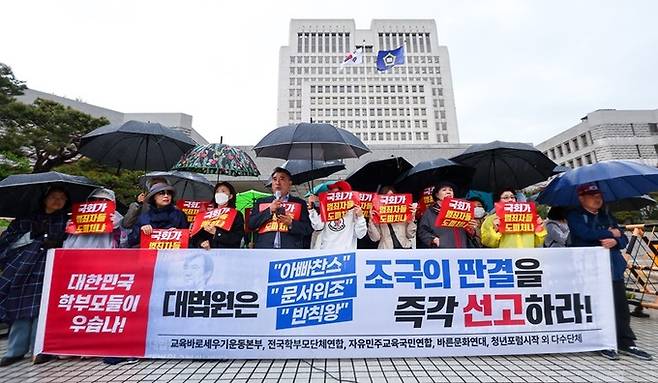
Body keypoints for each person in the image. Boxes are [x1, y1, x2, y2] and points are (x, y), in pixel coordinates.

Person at [567, 183, 652, 361]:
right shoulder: (575, 216)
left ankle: (626, 342)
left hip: (613, 268)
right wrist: (611, 233)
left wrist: (615, 240)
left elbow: (623, 238)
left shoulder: (607, 214)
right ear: (582, 198)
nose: (597, 198)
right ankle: (601, 341)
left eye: (599, 195)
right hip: (590, 269)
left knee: (620, 305)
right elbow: (583, 234)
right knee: (597, 306)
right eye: (592, 195)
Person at [0, 186, 69, 366]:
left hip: (50, 266)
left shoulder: (65, 220)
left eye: (62, 198)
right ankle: (15, 350)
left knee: (43, 308)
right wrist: (31, 235)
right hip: (23, 267)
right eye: (54, 196)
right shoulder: (25, 219)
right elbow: (6, 242)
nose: (58, 200)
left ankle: (39, 348)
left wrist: (57, 240)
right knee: (19, 306)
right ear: (44, 199)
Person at [247, 167, 313, 249]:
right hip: (265, 249)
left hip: (290, 250)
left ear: (289, 183)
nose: (277, 182)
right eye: (274, 179)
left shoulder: (299, 203)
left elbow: (308, 229)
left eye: (282, 179)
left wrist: (291, 223)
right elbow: (251, 224)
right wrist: (269, 210)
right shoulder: (261, 202)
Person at [307, 181, 366, 250]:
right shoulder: (328, 207)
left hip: (346, 254)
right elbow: (318, 226)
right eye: (331, 192)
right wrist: (311, 209)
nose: (332, 195)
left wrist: (360, 217)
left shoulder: (354, 210)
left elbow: (360, 235)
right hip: (326, 251)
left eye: (336, 193)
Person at [127, 182, 189, 248]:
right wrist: (141, 231)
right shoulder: (144, 216)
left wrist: (179, 233)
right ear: (154, 197)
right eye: (161, 193)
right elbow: (131, 241)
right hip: (149, 256)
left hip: (174, 254)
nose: (166, 196)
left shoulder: (179, 215)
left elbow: (189, 239)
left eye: (168, 193)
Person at [481, 188, 547, 248]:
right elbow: (487, 243)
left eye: (512, 197)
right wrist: (496, 230)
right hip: (506, 258)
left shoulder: (528, 217)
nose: (510, 200)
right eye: (505, 197)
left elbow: (538, 242)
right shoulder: (491, 220)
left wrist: (539, 228)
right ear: (497, 202)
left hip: (527, 257)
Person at [418, 181, 476, 248]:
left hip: (462, 250)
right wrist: (433, 240)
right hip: (441, 252)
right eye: (444, 190)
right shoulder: (430, 212)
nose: (448, 192)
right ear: (437, 195)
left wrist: (471, 229)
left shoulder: (462, 209)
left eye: (450, 190)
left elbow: (470, 234)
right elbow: (422, 231)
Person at [191, 181, 245, 249]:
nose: (219, 194)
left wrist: (217, 233)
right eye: (217, 191)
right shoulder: (207, 214)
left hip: (228, 253)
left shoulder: (236, 214)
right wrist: (201, 242)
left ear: (230, 196)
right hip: (208, 253)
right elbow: (196, 236)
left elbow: (237, 237)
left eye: (223, 191)